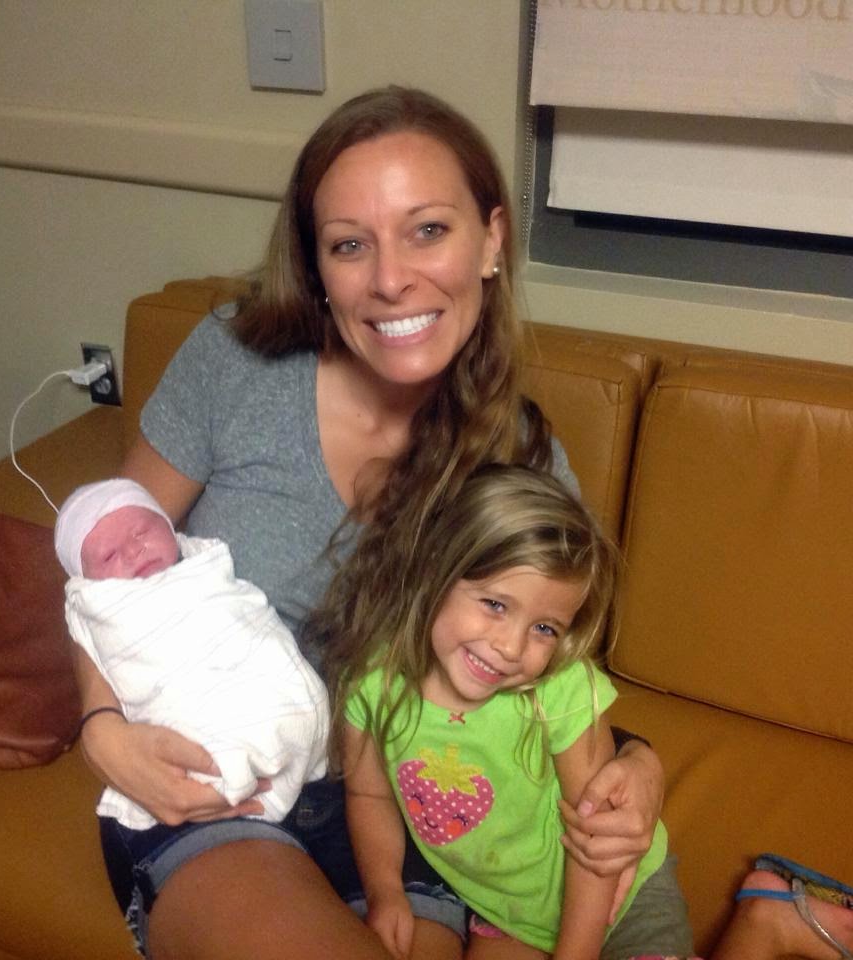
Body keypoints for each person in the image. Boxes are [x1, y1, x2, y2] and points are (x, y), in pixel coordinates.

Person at [73, 85, 670, 960]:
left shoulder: (521, 461)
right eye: (350, 244)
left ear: (492, 241)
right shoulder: (236, 363)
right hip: (214, 782)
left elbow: (555, 673)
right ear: (316, 267)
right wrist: (101, 730)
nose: (391, 279)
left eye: (428, 229)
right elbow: (101, 563)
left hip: (407, 808)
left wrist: (642, 763)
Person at [320, 464, 695, 960]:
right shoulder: (371, 682)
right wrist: (386, 891)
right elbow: (368, 793)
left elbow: (596, 837)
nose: (512, 647)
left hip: (621, 897)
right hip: (505, 913)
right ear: (434, 570)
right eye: (495, 604)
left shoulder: (561, 690)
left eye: (545, 628)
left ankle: (763, 922)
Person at [53, 477, 329, 827]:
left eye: (142, 531)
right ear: (87, 583)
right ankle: (243, 758)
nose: (133, 550)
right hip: (184, 761)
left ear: (169, 527)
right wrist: (100, 728)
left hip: (318, 731)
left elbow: (248, 616)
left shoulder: (205, 564)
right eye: (109, 555)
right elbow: (87, 627)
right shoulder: (105, 606)